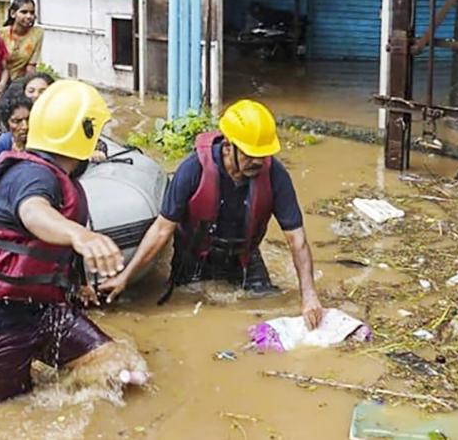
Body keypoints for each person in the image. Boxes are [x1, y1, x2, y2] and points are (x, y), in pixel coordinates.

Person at [0, 80, 142, 402]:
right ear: (85, 132)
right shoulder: (31, 175)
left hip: (43, 310)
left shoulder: (57, 175)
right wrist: (80, 234)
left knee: (121, 370)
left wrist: (78, 283)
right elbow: (33, 213)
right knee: (11, 409)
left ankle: (63, 395)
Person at [100, 100, 325, 330]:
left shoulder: (275, 175)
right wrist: (125, 277)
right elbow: (161, 230)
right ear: (228, 146)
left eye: (263, 154)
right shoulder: (193, 169)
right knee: (189, 318)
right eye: (250, 154)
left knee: (266, 307)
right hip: (193, 257)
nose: (258, 161)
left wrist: (309, 296)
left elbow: (296, 239)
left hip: (244, 257)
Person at [0, 0, 45, 80]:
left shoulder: (37, 33)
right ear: (13, 13)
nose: (29, 16)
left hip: (19, 82)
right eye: (24, 12)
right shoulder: (1, 34)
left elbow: (31, 66)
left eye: (32, 12)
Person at [0, 93, 32, 157]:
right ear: (7, 123)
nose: (25, 126)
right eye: (16, 121)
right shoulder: (5, 141)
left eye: (28, 119)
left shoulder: (40, 141)